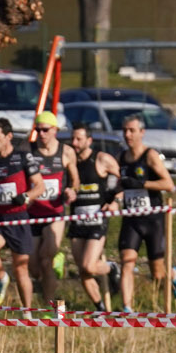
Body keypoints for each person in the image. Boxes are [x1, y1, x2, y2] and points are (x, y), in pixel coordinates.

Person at [114, 115, 176, 310]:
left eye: (132, 130)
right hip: (131, 219)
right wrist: (115, 197)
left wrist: (142, 184)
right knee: (127, 262)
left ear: (142, 132)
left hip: (152, 219)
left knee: (157, 273)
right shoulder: (122, 158)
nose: (127, 135)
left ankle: (173, 275)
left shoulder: (150, 155)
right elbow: (120, 185)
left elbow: (168, 184)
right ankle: (127, 309)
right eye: (125, 130)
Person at [0, 117, 38, 309]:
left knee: (21, 269)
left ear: (9, 136)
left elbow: (40, 186)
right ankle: (2, 277)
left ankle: (27, 313)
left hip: (17, 218)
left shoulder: (22, 157)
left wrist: (26, 196)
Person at [65, 124, 121, 309]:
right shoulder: (70, 162)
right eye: (73, 139)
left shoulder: (101, 159)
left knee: (89, 265)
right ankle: (100, 309)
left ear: (89, 141)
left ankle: (112, 267)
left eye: (79, 139)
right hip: (77, 220)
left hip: (97, 220)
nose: (74, 143)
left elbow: (123, 179)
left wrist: (116, 201)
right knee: (83, 270)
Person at [24, 111, 72, 302]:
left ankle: (50, 307)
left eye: (45, 130)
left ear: (55, 130)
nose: (41, 134)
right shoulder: (28, 150)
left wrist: (72, 190)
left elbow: (75, 179)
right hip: (32, 214)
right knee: (34, 268)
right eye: (38, 130)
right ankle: (55, 262)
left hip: (55, 213)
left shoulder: (66, 152)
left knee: (45, 259)